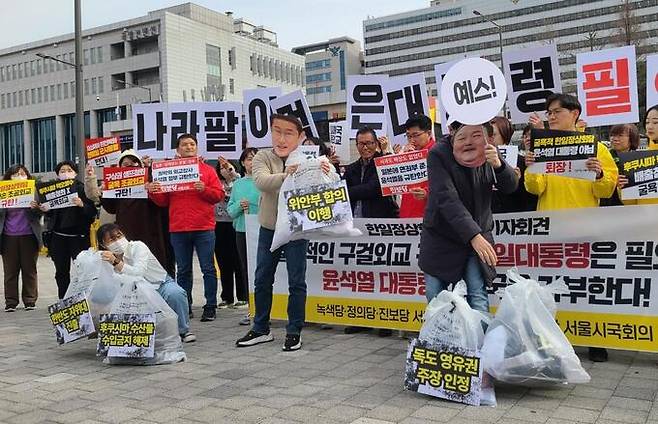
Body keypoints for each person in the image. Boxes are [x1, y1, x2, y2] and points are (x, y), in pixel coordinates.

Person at [526, 93, 617, 363]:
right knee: (551, 285)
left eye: (556, 111)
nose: (551, 117)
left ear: (574, 113)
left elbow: (606, 188)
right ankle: (552, 337)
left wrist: (599, 173)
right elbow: (535, 188)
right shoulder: (543, 148)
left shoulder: (596, 148)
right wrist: (532, 169)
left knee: (586, 284)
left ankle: (593, 339)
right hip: (550, 226)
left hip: (585, 226)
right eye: (548, 113)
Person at [236, 114, 332, 351]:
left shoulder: (311, 157)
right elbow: (261, 182)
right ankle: (260, 328)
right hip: (269, 228)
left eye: (288, 133)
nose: (281, 138)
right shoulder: (262, 156)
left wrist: (325, 170)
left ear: (301, 137)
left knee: (296, 281)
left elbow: (327, 185)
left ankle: (294, 331)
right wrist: (288, 174)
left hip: (297, 229)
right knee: (261, 278)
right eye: (276, 131)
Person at [419, 122, 518, 313]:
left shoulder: (489, 148)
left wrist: (498, 166)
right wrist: (474, 236)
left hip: (479, 232)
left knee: (477, 293)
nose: (469, 142)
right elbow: (447, 199)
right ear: (452, 133)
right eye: (462, 137)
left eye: (476, 135)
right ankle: (440, 339)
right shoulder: (438, 154)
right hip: (442, 235)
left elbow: (510, 186)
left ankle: (479, 342)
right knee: (435, 294)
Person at [147, 134, 224, 322]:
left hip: (204, 226)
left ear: (196, 147)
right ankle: (185, 305)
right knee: (183, 270)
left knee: (208, 268)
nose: (189, 147)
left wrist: (204, 189)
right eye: (184, 144)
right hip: (179, 227)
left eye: (192, 144)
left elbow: (219, 195)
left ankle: (211, 305)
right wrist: (154, 192)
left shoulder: (207, 170)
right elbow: (163, 201)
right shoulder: (169, 170)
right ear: (178, 149)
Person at [342, 127, 400, 337]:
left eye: (369, 143)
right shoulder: (351, 168)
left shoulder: (383, 163)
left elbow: (375, 188)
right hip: (355, 226)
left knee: (382, 273)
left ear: (376, 143)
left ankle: (384, 320)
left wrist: (349, 191)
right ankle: (361, 318)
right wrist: (350, 191)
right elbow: (346, 193)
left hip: (380, 224)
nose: (365, 147)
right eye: (361, 144)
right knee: (360, 273)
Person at [96, 223, 196, 343]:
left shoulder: (138, 247)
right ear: (103, 244)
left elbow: (138, 272)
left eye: (119, 236)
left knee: (175, 293)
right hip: (133, 293)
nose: (117, 241)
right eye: (112, 239)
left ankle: (183, 331)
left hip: (159, 284)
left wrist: (116, 262)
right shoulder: (105, 258)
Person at [86, 150, 176, 277]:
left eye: (134, 163)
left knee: (156, 264)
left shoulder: (150, 180)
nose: (130, 166)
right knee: (131, 265)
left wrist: (151, 188)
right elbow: (111, 208)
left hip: (151, 231)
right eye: (125, 164)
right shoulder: (116, 185)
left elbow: (162, 201)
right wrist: (105, 192)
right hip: (127, 231)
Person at [43, 161, 97, 299]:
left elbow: (92, 212)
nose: (65, 173)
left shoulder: (82, 189)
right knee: (61, 272)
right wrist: (46, 210)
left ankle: (83, 298)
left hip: (79, 237)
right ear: (57, 174)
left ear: (75, 172)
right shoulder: (52, 190)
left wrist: (82, 205)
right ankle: (64, 299)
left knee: (83, 271)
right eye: (62, 171)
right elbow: (50, 216)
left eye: (69, 170)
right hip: (58, 237)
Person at [0, 165, 43, 312]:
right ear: (9, 177)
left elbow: (40, 213)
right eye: (15, 174)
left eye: (22, 174)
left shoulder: (34, 191)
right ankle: (11, 302)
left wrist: (35, 208)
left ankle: (30, 300)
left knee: (29, 269)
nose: (19, 176)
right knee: (10, 271)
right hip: (8, 237)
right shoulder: (3, 191)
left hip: (29, 236)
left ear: (28, 176)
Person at [227, 147, 260, 326]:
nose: (251, 162)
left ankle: (267, 308)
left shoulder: (265, 181)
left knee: (264, 270)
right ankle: (252, 308)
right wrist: (240, 206)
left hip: (263, 230)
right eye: (248, 159)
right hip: (242, 232)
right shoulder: (238, 184)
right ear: (242, 163)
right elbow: (230, 211)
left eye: (255, 158)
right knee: (246, 270)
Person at [214, 156, 247, 309]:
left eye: (227, 167)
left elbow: (236, 176)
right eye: (221, 168)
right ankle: (227, 297)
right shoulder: (216, 183)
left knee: (238, 261)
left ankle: (243, 296)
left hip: (236, 224)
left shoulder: (239, 182)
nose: (224, 170)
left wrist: (231, 170)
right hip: (219, 225)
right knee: (223, 262)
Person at [489, 119, 538, 213]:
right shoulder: (479, 162)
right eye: (487, 135)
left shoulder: (522, 161)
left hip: (513, 219)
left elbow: (530, 197)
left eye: (493, 135)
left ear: (504, 135)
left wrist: (515, 182)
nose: (489, 139)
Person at [398, 114, 436, 218]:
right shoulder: (408, 152)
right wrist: (404, 158)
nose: (412, 140)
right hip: (407, 215)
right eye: (409, 136)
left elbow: (447, 186)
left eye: (416, 135)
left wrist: (427, 192)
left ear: (428, 133)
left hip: (429, 217)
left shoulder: (438, 153)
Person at [601, 124, 640, 207]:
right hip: (605, 205)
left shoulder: (640, 159)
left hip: (631, 207)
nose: (614, 139)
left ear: (632, 138)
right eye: (612, 135)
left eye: (620, 135)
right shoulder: (604, 155)